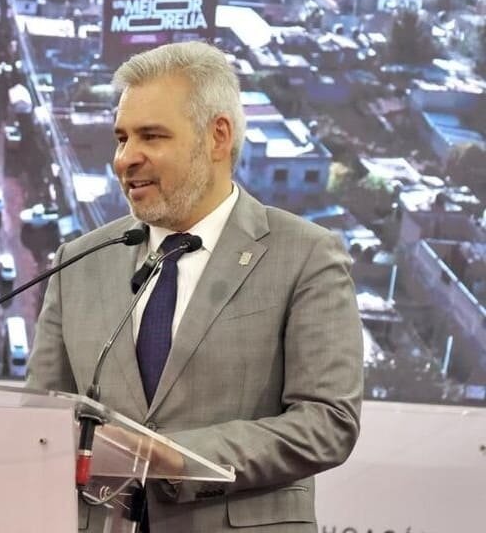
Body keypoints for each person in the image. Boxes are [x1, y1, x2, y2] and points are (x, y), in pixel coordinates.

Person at [28, 41, 363, 532]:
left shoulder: (306, 255)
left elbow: (328, 422)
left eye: (151, 136)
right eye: (122, 138)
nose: (125, 159)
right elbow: (39, 422)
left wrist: (177, 456)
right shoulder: (78, 261)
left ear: (217, 137)